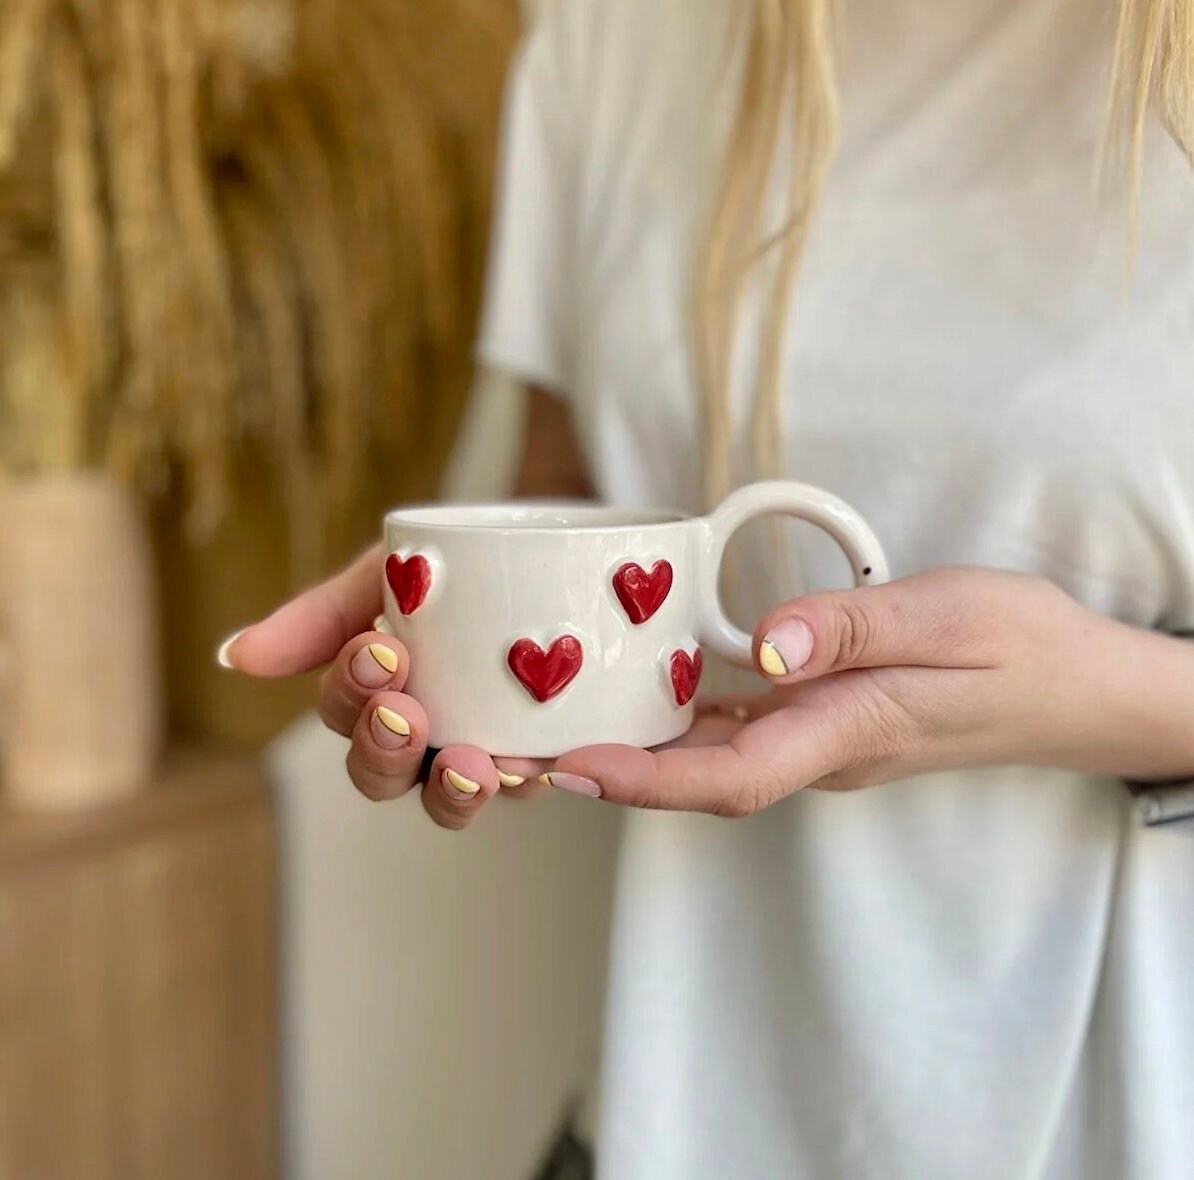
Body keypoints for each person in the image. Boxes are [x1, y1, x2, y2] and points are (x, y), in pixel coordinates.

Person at [219, 0, 1194, 1175]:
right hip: (675, 1100)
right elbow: (570, 487)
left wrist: (1093, 694)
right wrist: (480, 631)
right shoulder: (612, 33)